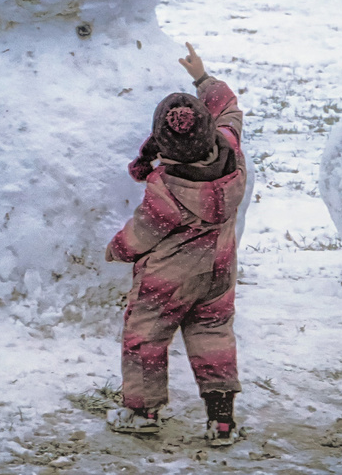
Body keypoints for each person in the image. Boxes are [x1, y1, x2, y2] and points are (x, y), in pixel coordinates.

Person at [105, 42, 245, 446]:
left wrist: (118, 248)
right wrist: (202, 77)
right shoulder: (232, 152)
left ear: (162, 144)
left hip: (169, 276)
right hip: (218, 271)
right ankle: (222, 421)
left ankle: (142, 411)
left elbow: (143, 233)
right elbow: (230, 107)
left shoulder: (165, 187)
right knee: (213, 335)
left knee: (145, 334)